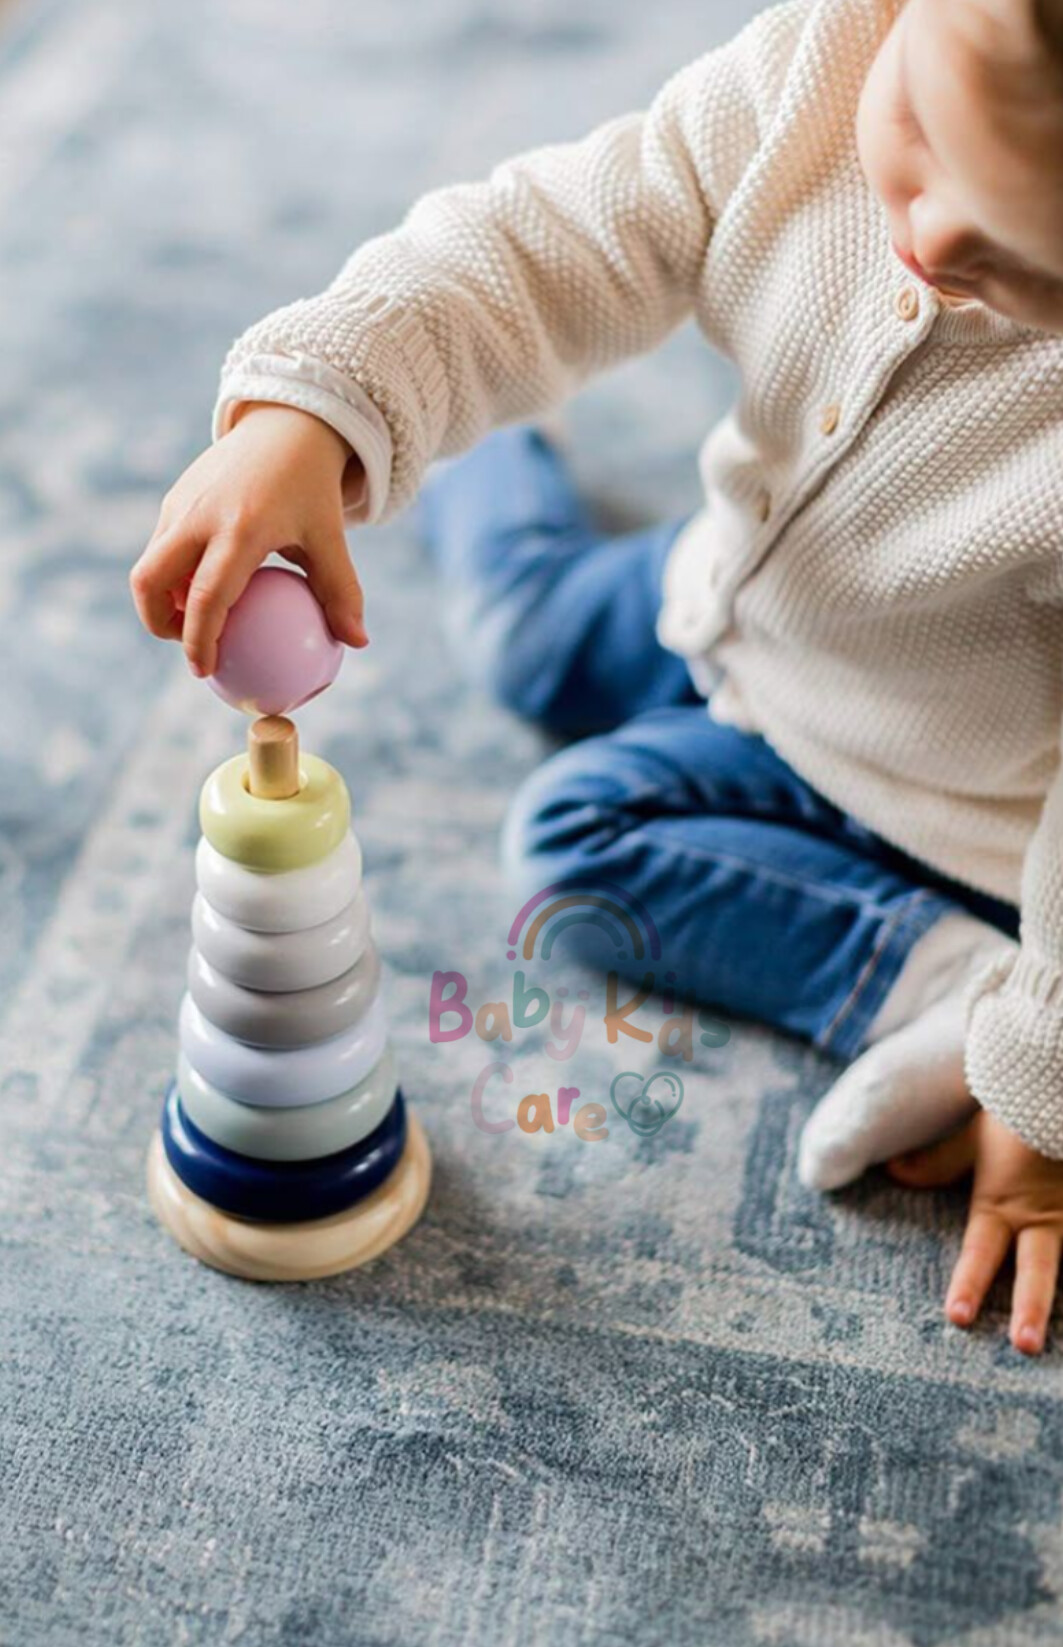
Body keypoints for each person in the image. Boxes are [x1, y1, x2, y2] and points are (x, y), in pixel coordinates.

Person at [130, 0, 1063, 1352]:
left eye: (1024, 265)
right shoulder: (825, 63)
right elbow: (555, 236)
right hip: (726, 594)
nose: (925, 243)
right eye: (918, 139)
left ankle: (948, 985)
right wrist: (318, 404)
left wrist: (1034, 1087)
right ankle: (453, 444)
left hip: (930, 788)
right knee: (526, 632)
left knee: (577, 843)